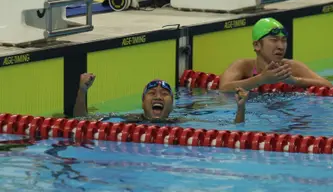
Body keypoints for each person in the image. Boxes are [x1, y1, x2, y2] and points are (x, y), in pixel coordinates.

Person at [73, 73, 250, 124]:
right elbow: (81, 121)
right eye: (152, 93)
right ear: (143, 103)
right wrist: (82, 91)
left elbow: (234, 129)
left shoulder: (181, 122)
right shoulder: (129, 120)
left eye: (165, 94)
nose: (158, 96)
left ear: (172, 105)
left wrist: (241, 108)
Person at [219, 17, 332, 91]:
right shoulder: (243, 66)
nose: (280, 46)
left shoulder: (291, 67)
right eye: (274, 40)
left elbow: (328, 86)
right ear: (257, 45)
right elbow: (224, 88)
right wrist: (261, 79)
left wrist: (295, 81)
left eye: (283, 40)